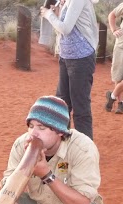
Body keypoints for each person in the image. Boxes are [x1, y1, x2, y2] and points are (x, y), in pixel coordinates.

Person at [40, 0, 98, 140]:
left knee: (80, 106)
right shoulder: (65, 1)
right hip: (66, 57)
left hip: (81, 59)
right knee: (62, 103)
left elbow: (65, 28)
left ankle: (84, 149)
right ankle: (62, 142)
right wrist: (56, 13)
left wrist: (48, 15)